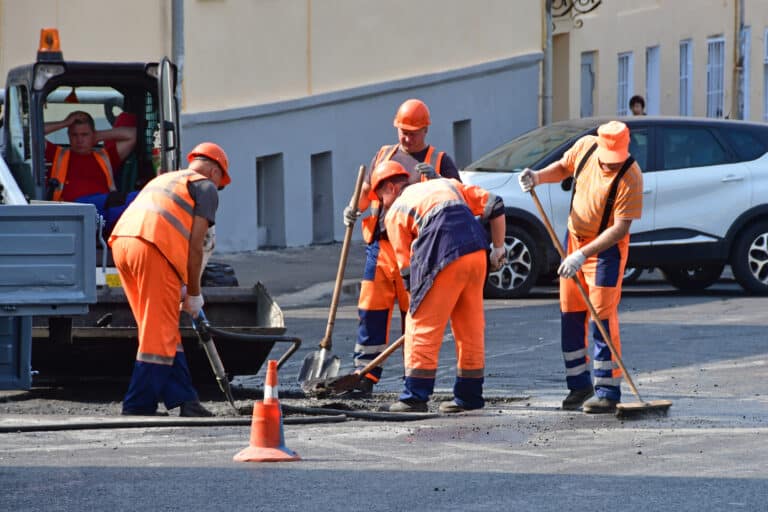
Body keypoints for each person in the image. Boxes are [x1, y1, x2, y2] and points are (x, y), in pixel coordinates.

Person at [518, 121, 643, 414]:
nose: (612, 164)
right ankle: (578, 386)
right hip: (573, 240)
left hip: (605, 252)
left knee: (602, 318)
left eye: (617, 159)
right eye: (608, 159)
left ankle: (607, 391)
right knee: (571, 314)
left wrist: (583, 255)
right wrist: (537, 177)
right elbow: (563, 167)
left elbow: (620, 229)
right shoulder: (587, 148)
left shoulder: (631, 176)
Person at [342, 98, 463, 396]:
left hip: (417, 251)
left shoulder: (439, 161)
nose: (406, 138)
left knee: (417, 317)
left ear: (425, 130)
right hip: (380, 247)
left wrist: (437, 180)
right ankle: (364, 377)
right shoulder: (384, 154)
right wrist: (352, 208)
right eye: (402, 131)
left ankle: (415, 381)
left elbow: (459, 197)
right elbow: (369, 190)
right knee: (370, 311)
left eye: (412, 132)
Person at [367, 160, 506, 413]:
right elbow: (495, 204)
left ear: (390, 187)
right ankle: (470, 397)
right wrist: (498, 248)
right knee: (470, 328)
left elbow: (406, 268)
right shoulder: (448, 184)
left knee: (422, 325)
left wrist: (415, 305)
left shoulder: (397, 210)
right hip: (476, 252)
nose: (381, 205)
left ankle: (414, 397)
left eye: (379, 198)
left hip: (444, 253)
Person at [108, 142, 232, 417]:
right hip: (153, 248)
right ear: (214, 172)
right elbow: (196, 244)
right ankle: (138, 405)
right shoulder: (205, 187)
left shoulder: (166, 179)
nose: (218, 189)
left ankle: (185, 399)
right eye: (220, 183)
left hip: (123, 244)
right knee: (159, 334)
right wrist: (195, 293)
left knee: (158, 328)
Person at [45, 110, 138, 234]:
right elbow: (31, 133)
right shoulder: (57, 154)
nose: (79, 140)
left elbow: (132, 135)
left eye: (84, 135)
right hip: (70, 213)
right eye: (74, 135)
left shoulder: (105, 156)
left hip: (103, 213)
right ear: (68, 135)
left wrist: (98, 136)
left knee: (138, 197)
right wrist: (64, 123)